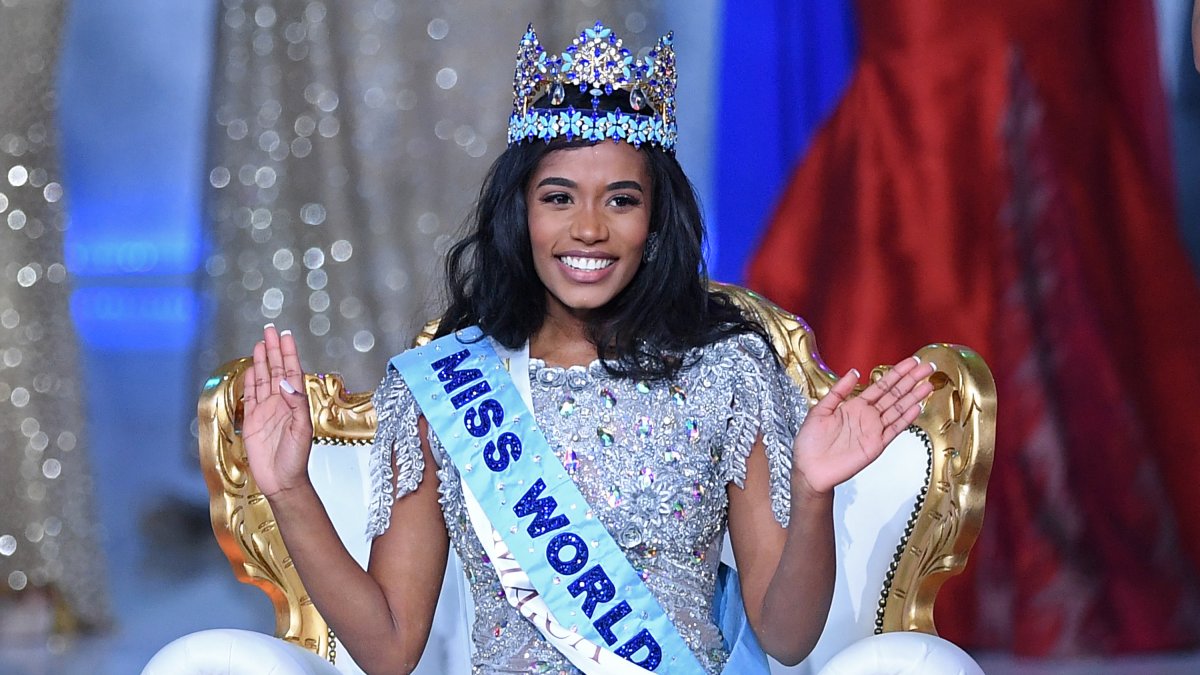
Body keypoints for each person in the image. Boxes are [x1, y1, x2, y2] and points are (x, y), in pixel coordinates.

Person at [240, 22, 934, 674]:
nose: (590, 229)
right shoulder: (446, 385)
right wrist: (290, 489)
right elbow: (389, 647)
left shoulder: (727, 374)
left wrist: (811, 494)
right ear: (522, 214)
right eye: (559, 198)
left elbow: (786, 636)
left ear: (655, 221)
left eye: (621, 200)